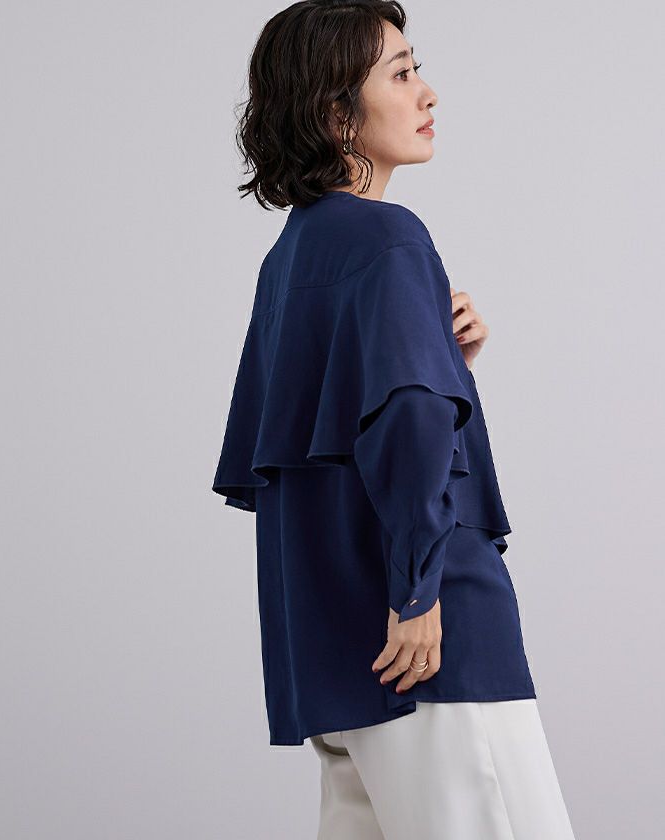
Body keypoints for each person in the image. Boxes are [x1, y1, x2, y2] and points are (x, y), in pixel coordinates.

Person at [212, 1, 577, 837]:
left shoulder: (291, 257)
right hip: (426, 643)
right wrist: (416, 591)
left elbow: (331, 440)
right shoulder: (390, 239)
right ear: (336, 113)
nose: (428, 93)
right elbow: (406, 418)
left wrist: (447, 362)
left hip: (336, 658)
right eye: (402, 74)